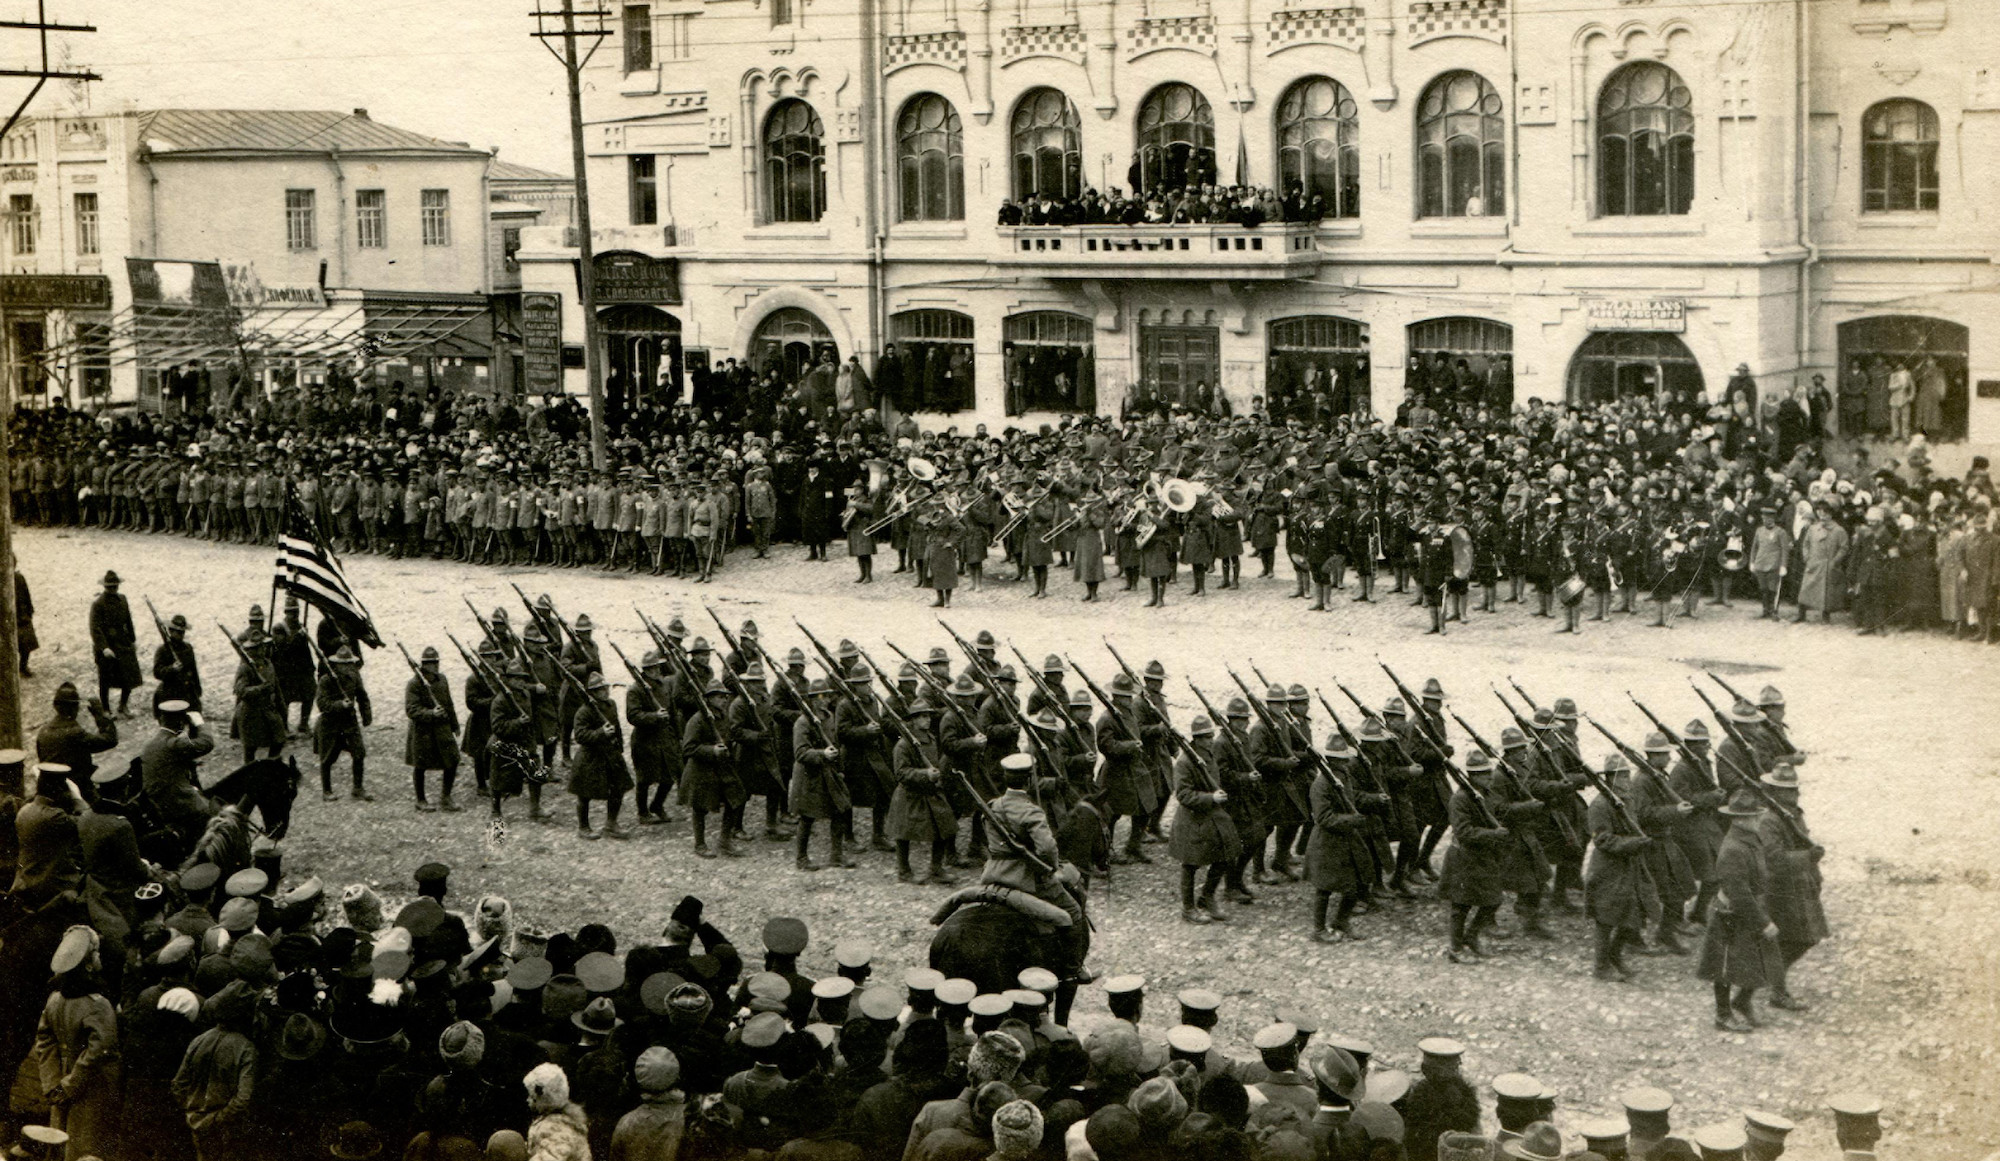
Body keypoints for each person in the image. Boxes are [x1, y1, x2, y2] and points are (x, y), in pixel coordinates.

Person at [1696, 789, 1784, 1032]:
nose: (1759, 820)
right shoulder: (1734, 848)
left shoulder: (1749, 839)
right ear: (1742, 820)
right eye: (1755, 817)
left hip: (1746, 909)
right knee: (1723, 967)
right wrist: (1763, 922)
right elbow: (1739, 893)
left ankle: (1742, 1002)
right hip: (1731, 914)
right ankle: (1723, 1015)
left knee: (1760, 957)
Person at [35, 925, 121, 1161]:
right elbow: (99, 1051)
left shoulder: (55, 999)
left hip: (61, 1082)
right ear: (89, 963)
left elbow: (44, 1041)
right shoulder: (98, 1004)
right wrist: (71, 1084)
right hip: (93, 1086)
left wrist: (54, 1084)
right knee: (87, 1147)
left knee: (61, 1143)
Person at [142, 700, 216, 846]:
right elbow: (207, 743)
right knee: (213, 818)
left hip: (159, 799)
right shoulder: (174, 744)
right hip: (177, 802)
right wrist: (199, 723)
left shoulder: (154, 742)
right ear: (182, 723)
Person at [569, 672, 632, 840]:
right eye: (600, 690)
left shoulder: (611, 705)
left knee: (618, 789)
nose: (605, 692)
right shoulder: (584, 711)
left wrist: (618, 746)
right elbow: (580, 736)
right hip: (591, 757)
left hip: (610, 754)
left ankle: (611, 824)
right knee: (584, 794)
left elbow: (616, 726)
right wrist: (600, 733)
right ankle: (583, 827)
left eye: (605, 688)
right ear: (592, 693)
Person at [405, 646, 462, 813]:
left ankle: (446, 797)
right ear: (423, 664)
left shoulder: (442, 680)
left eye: (436, 662)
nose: (434, 666)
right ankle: (420, 800)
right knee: (420, 764)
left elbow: (448, 703)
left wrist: (455, 724)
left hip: (442, 728)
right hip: (423, 730)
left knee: (452, 760)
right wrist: (431, 713)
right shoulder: (414, 684)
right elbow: (411, 709)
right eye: (430, 663)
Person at [314, 645, 373, 802]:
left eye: (350, 664)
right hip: (330, 724)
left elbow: (362, 696)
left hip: (349, 722)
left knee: (359, 753)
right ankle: (327, 791)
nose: (348, 667)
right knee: (327, 758)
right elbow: (322, 704)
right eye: (344, 664)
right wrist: (340, 704)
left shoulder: (355, 677)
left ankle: (358, 789)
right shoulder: (326, 680)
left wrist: (366, 716)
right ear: (337, 665)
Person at [35, 683, 118, 785]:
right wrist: (99, 713)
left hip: (50, 785)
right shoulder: (75, 732)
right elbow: (110, 740)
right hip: (73, 787)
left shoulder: (43, 731)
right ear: (74, 708)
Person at [90, 570, 142, 717]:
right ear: (105, 587)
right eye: (110, 587)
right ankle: (106, 709)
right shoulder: (98, 604)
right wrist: (104, 648)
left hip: (123, 642)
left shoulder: (123, 599)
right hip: (107, 645)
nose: (113, 589)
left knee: (129, 675)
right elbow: (95, 629)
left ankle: (123, 705)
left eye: (115, 586)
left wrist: (133, 640)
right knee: (105, 679)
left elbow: (128, 621)